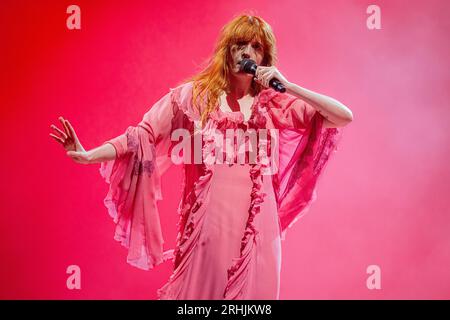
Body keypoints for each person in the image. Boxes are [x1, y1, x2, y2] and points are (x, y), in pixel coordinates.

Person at [49, 14, 353, 300]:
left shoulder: (274, 103)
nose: (247, 51)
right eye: (240, 44)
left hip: (261, 227)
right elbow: (141, 135)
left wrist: (289, 87)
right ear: (227, 50)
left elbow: (342, 116)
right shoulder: (193, 98)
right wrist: (89, 155)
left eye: (256, 46)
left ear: (264, 58)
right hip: (210, 223)